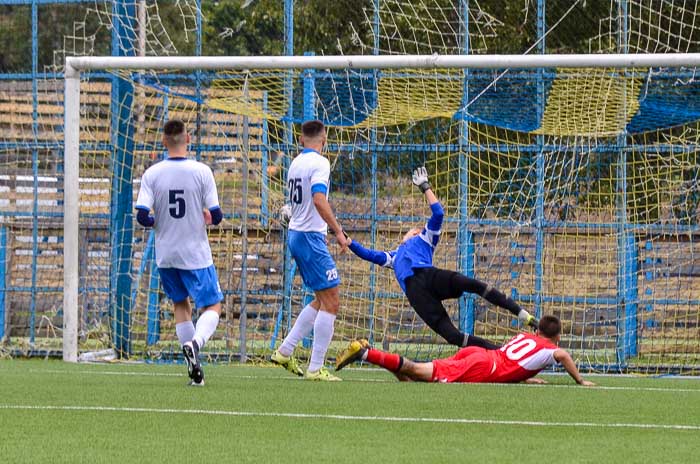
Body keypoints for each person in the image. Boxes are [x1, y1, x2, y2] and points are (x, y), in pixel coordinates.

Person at [345, 166, 536, 351]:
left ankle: (525, 317)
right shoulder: (393, 258)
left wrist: (425, 187)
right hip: (417, 295)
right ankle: (501, 352)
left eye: (415, 230)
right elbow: (367, 254)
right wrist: (347, 239)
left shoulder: (424, 239)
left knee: (476, 285)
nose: (413, 231)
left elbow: (439, 213)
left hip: (430, 276)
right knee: (453, 336)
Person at [135, 119, 224, 386]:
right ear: (188, 139)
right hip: (194, 252)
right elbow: (217, 215)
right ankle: (196, 344)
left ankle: (195, 373)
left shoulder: (152, 173)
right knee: (212, 304)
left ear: (164, 141)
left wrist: (157, 222)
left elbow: (142, 215)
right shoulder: (201, 171)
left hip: (166, 253)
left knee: (180, 305)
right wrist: (207, 217)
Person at [271, 119, 351, 381]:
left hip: (299, 234)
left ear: (302, 139)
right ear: (324, 139)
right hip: (308, 237)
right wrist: (338, 232)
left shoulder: (295, 163)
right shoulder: (320, 163)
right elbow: (318, 198)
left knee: (321, 299)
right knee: (332, 301)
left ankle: (285, 350)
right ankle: (315, 368)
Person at [336, 315, 596, 386]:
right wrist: (580, 380)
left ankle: (370, 353)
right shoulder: (551, 348)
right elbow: (561, 355)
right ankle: (365, 353)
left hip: (479, 355)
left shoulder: (526, 336)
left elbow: (513, 358)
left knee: (414, 379)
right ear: (557, 336)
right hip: (482, 367)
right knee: (419, 369)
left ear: (537, 331)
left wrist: (524, 376)